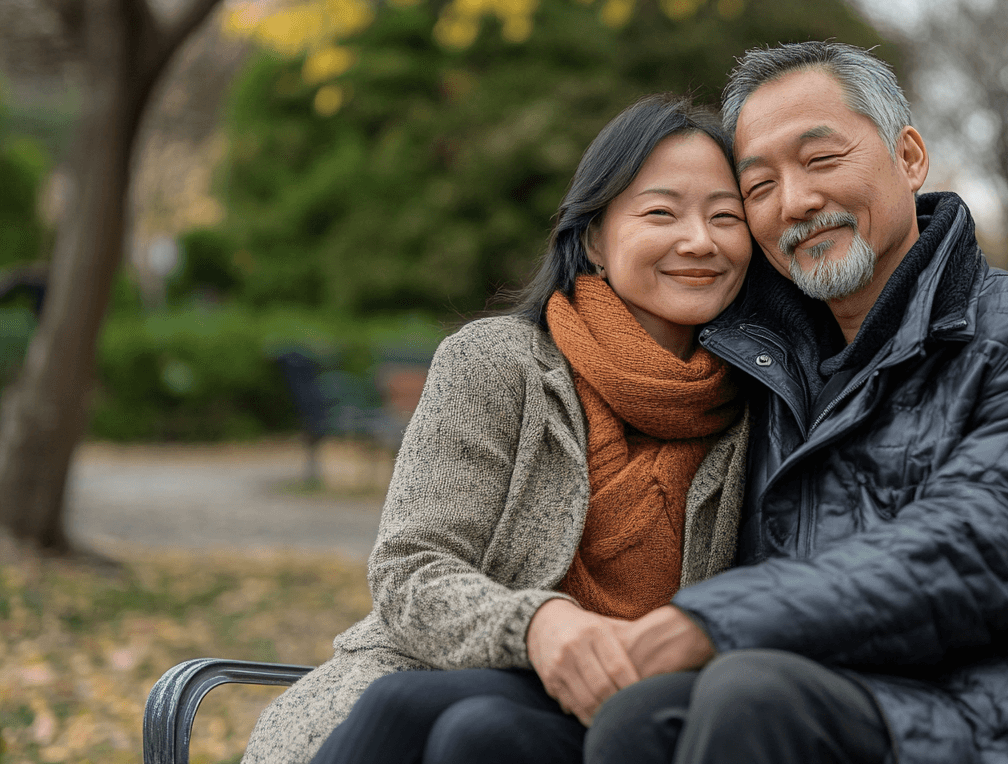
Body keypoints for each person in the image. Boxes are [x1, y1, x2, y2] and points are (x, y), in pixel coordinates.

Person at [580, 42, 1008, 763]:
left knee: (749, 696)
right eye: (758, 187)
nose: (796, 203)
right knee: (639, 717)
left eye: (821, 160)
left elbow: (995, 542)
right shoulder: (759, 364)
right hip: (818, 695)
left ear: (908, 157)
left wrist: (720, 620)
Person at [239, 94, 754, 764]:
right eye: (662, 212)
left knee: (478, 734)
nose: (700, 241)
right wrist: (537, 624)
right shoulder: (494, 363)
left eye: (727, 217)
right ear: (594, 237)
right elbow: (409, 570)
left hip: (631, 714)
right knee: (444, 719)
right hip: (435, 677)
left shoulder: (761, 400)